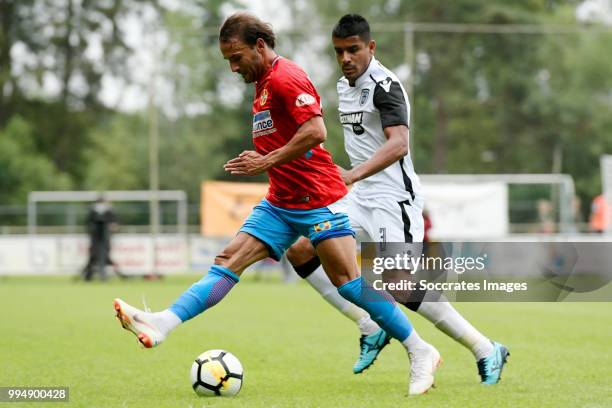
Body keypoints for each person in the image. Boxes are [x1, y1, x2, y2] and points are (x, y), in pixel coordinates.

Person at [113, 12, 440, 395]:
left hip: (318, 199)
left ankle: (421, 349)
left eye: (237, 57)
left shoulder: (287, 76)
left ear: (261, 46)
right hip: (281, 202)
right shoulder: (262, 85)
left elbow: (316, 130)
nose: (233, 67)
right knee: (227, 260)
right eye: (228, 61)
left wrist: (265, 160)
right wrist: (268, 162)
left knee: (350, 285)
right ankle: (163, 322)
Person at [284, 14, 509, 385]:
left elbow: (398, 143)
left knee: (401, 283)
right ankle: (369, 325)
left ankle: (485, 347)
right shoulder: (343, 86)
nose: (346, 58)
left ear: (371, 47)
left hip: (395, 198)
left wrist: (353, 174)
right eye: (339, 51)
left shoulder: (385, 85)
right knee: (301, 250)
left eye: (353, 49)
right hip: (360, 197)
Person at [82, 195, 121, 281]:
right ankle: (89, 276)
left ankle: (100, 275)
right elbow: (87, 225)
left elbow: (115, 224)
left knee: (102, 258)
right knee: (94, 258)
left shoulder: (109, 212)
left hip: (104, 240)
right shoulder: (92, 212)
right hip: (95, 240)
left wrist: (113, 226)